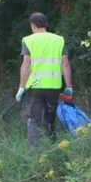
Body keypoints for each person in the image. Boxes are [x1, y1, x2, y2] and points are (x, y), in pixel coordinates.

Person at [16, 12, 74, 146]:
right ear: (46, 24)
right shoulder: (59, 40)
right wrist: (69, 86)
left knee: (33, 120)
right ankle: (52, 146)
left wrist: (21, 87)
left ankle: (35, 151)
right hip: (53, 86)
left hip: (35, 88)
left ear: (33, 25)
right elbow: (65, 64)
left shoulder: (28, 40)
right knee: (50, 118)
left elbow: (26, 65)